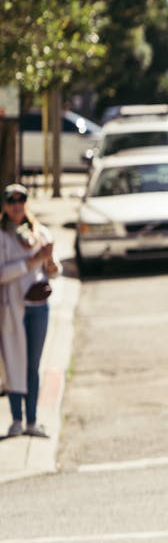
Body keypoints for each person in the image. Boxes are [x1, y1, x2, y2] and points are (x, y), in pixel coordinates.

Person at [0, 184, 60, 438]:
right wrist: (31, 262)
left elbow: (52, 272)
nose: (16, 206)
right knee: (14, 361)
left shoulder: (39, 232)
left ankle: (32, 421)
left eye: (21, 201)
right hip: (12, 307)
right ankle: (16, 420)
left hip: (39, 307)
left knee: (33, 365)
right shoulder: (3, 236)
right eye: (11, 202)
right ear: (4, 206)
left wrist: (50, 263)